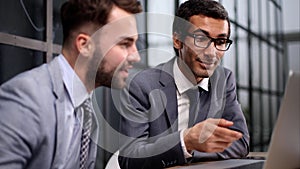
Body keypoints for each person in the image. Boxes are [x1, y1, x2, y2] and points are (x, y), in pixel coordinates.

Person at [0, 0, 142, 168]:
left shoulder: (86, 111)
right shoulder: (27, 99)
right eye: (125, 44)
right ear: (84, 45)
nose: (136, 56)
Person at [117, 0, 249, 168]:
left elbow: (241, 142)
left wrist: (190, 149)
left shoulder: (224, 80)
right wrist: (185, 141)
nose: (211, 53)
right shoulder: (142, 85)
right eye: (201, 38)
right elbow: (130, 158)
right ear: (177, 41)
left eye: (221, 42)